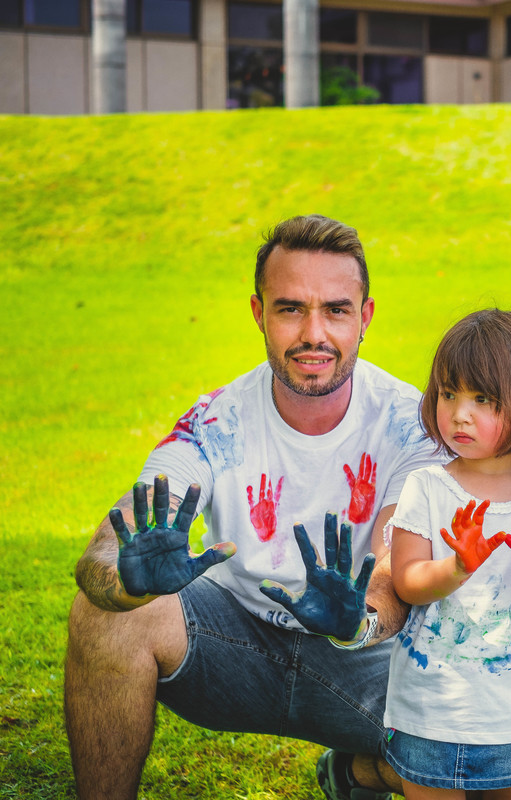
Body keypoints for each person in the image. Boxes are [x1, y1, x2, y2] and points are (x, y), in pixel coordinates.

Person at [64, 214, 443, 800]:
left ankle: (354, 774)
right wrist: (127, 584)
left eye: (336, 310)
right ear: (258, 312)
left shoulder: (409, 424)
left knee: (468, 742)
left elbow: (397, 569)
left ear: (365, 316)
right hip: (236, 646)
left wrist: (354, 620)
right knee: (103, 617)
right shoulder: (217, 422)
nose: (314, 333)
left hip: (363, 663)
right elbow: (111, 545)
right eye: (290, 308)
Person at [379, 308, 511, 799]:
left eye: (482, 399)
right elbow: (408, 581)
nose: (459, 413)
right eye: (448, 394)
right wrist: (457, 567)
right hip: (428, 713)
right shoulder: (425, 487)